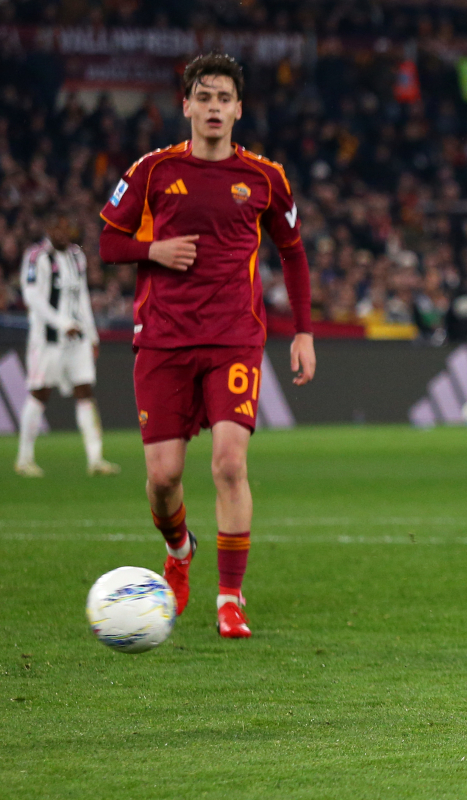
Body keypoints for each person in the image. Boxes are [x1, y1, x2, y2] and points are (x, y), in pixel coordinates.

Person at [97, 53, 316, 639]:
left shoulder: (267, 178)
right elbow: (108, 243)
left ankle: (229, 597)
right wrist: (154, 251)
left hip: (234, 339)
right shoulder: (153, 171)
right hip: (163, 339)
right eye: (205, 97)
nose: (214, 107)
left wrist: (303, 331)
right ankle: (179, 549)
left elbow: (293, 253)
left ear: (238, 110)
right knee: (164, 477)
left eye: (224, 98)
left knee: (228, 462)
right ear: (187, 106)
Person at [15, 213, 120, 477]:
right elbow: (32, 297)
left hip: (78, 339)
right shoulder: (36, 256)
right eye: (57, 228)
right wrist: (62, 323)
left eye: (66, 228)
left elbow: (82, 296)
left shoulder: (77, 256)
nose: (62, 234)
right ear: (49, 229)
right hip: (47, 340)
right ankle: (24, 458)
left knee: (85, 391)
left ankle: (95, 459)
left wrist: (93, 334)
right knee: (40, 393)